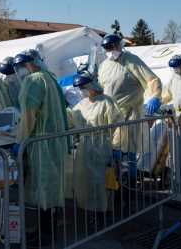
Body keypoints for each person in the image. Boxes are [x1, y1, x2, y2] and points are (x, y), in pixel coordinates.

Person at [11, 49, 69, 246]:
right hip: (55, 142)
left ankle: (46, 235)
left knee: (44, 190)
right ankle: (47, 231)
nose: (19, 72)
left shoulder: (33, 80)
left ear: (28, 64)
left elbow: (28, 114)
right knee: (51, 189)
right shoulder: (50, 78)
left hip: (41, 144)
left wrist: (20, 140)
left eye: (20, 67)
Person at [98, 34, 162, 188]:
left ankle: (130, 187)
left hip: (128, 114)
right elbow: (102, 87)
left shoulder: (131, 61)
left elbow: (151, 79)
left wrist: (155, 97)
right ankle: (115, 185)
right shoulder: (104, 65)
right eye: (107, 48)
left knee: (127, 153)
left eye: (113, 47)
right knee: (113, 152)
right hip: (111, 115)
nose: (111, 50)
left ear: (120, 45)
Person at [67, 72, 127, 227]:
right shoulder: (83, 103)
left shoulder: (106, 102)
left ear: (92, 85)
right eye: (80, 88)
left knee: (100, 180)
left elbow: (118, 125)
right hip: (85, 146)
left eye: (83, 86)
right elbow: (72, 118)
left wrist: (117, 146)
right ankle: (90, 210)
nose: (82, 90)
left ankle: (101, 212)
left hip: (101, 145)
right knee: (85, 179)